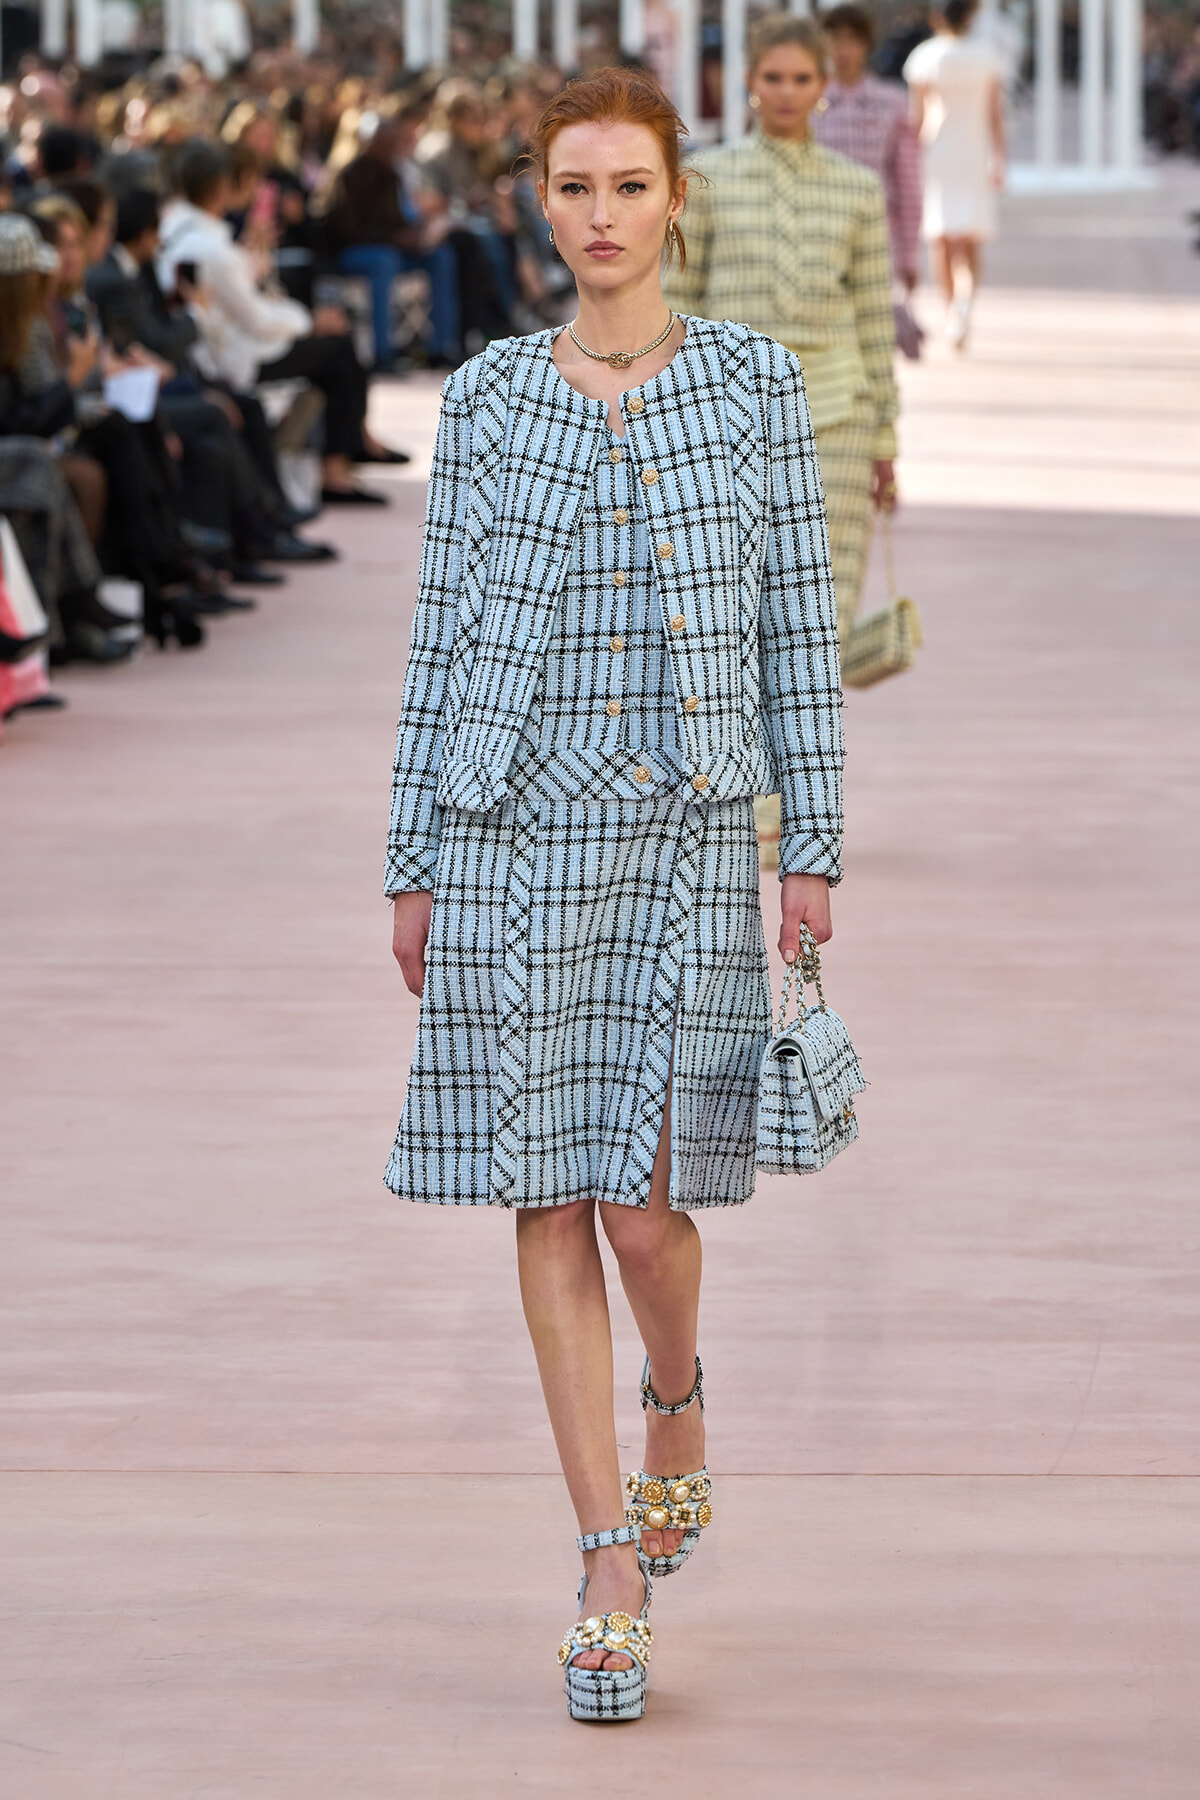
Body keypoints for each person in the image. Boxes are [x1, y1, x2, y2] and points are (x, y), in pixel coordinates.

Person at [385, 66, 842, 1725]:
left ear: (673, 200)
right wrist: (414, 855)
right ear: (538, 199)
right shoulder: (489, 394)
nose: (597, 217)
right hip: (509, 827)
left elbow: (799, 629)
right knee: (547, 1194)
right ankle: (601, 1551)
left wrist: (814, 849)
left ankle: (680, 1399)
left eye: (627, 187)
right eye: (571, 187)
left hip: (683, 828)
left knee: (645, 1207)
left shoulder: (754, 388)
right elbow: (437, 645)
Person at [666, 12, 897, 640]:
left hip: (840, 412)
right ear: (751, 82)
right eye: (774, 76)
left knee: (826, 609)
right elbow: (677, 296)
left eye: (801, 78)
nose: (787, 91)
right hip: (728, 412)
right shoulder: (705, 179)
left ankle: (812, 740)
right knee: (727, 605)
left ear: (823, 84)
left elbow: (875, 316)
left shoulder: (858, 189)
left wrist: (886, 440)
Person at [157, 142, 394, 505]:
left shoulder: (180, 231)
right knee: (338, 350)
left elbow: (247, 299)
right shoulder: (210, 248)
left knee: (334, 349)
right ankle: (335, 469)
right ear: (223, 186)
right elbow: (257, 319)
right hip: (234, 358)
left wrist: (255, 254)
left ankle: (343, 456)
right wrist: (308, 321)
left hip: (227, 346)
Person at [903, 0, 1006, 348]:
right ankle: (964, 306)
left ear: (937, 17)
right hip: (973, 152)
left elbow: (917, 118)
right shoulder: (986, 56)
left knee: (942, 235)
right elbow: (995, 115)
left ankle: (951, 311)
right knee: (971, 235)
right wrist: (1000, 158)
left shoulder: (924, 57)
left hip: (937, 152)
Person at [813, 3, 922, 296]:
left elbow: (908, 182)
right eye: (835, 39)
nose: (844, 50)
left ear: (866, 45)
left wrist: (908, 255)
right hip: (815, 235)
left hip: (875, 235)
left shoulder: (891, 103)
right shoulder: (806, 102)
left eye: (853, 40)